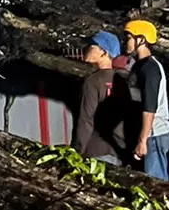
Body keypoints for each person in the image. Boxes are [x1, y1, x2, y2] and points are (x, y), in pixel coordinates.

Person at [72, 31, 129, 166]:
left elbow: (86, 119)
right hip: (118, 151)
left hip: (95, 151)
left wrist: (76, 152)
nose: (87, 48)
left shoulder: (93, 81)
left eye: (92, 46)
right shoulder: (123, 80)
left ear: (104, 52)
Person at [123, 20, 169, 179]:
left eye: (128, 38)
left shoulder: (150, 69)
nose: (125, 42)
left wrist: (143, 140)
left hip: (155, 134)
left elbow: (149, 108)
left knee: (156, 185)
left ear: (141, 40)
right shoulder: (140, 67)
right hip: (148, 133)